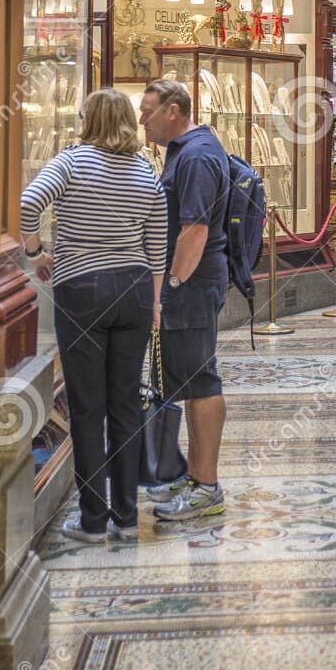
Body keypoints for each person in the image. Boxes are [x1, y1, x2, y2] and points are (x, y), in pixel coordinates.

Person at [20, 89, 165, 545]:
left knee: (87, 407)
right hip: (136, 289)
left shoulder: (71, 162)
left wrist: (35, 251)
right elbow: (158, 246)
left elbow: (29, 203)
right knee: (125, 404)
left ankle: (92, 520)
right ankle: (126, 517)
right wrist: (156, 304)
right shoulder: (147, 171)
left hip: (82, 287)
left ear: (89, 119)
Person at [140, 79, 232, 522]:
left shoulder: (195, 156)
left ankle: (207, 487)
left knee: (201, 380)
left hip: (192, 284)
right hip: (191, 283)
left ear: (174, 111)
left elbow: (193, 231)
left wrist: (170, 287)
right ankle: (194, 476)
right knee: (191, 381)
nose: (142, 119)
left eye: (148, 111)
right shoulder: (188, 149)